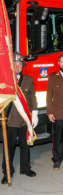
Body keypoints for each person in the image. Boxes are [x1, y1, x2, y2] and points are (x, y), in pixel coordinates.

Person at [1, 52, 38, 185]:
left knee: (25, 145)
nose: (17, 66)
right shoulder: (5, 80)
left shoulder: (29, 79)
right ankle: (7, 172)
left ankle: (25, 168)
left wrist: (34, 113)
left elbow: (32, 98)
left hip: (24, 120)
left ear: (23, 65)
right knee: (8, 148)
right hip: (10, 120)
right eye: (15, 64)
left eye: (20, 64)